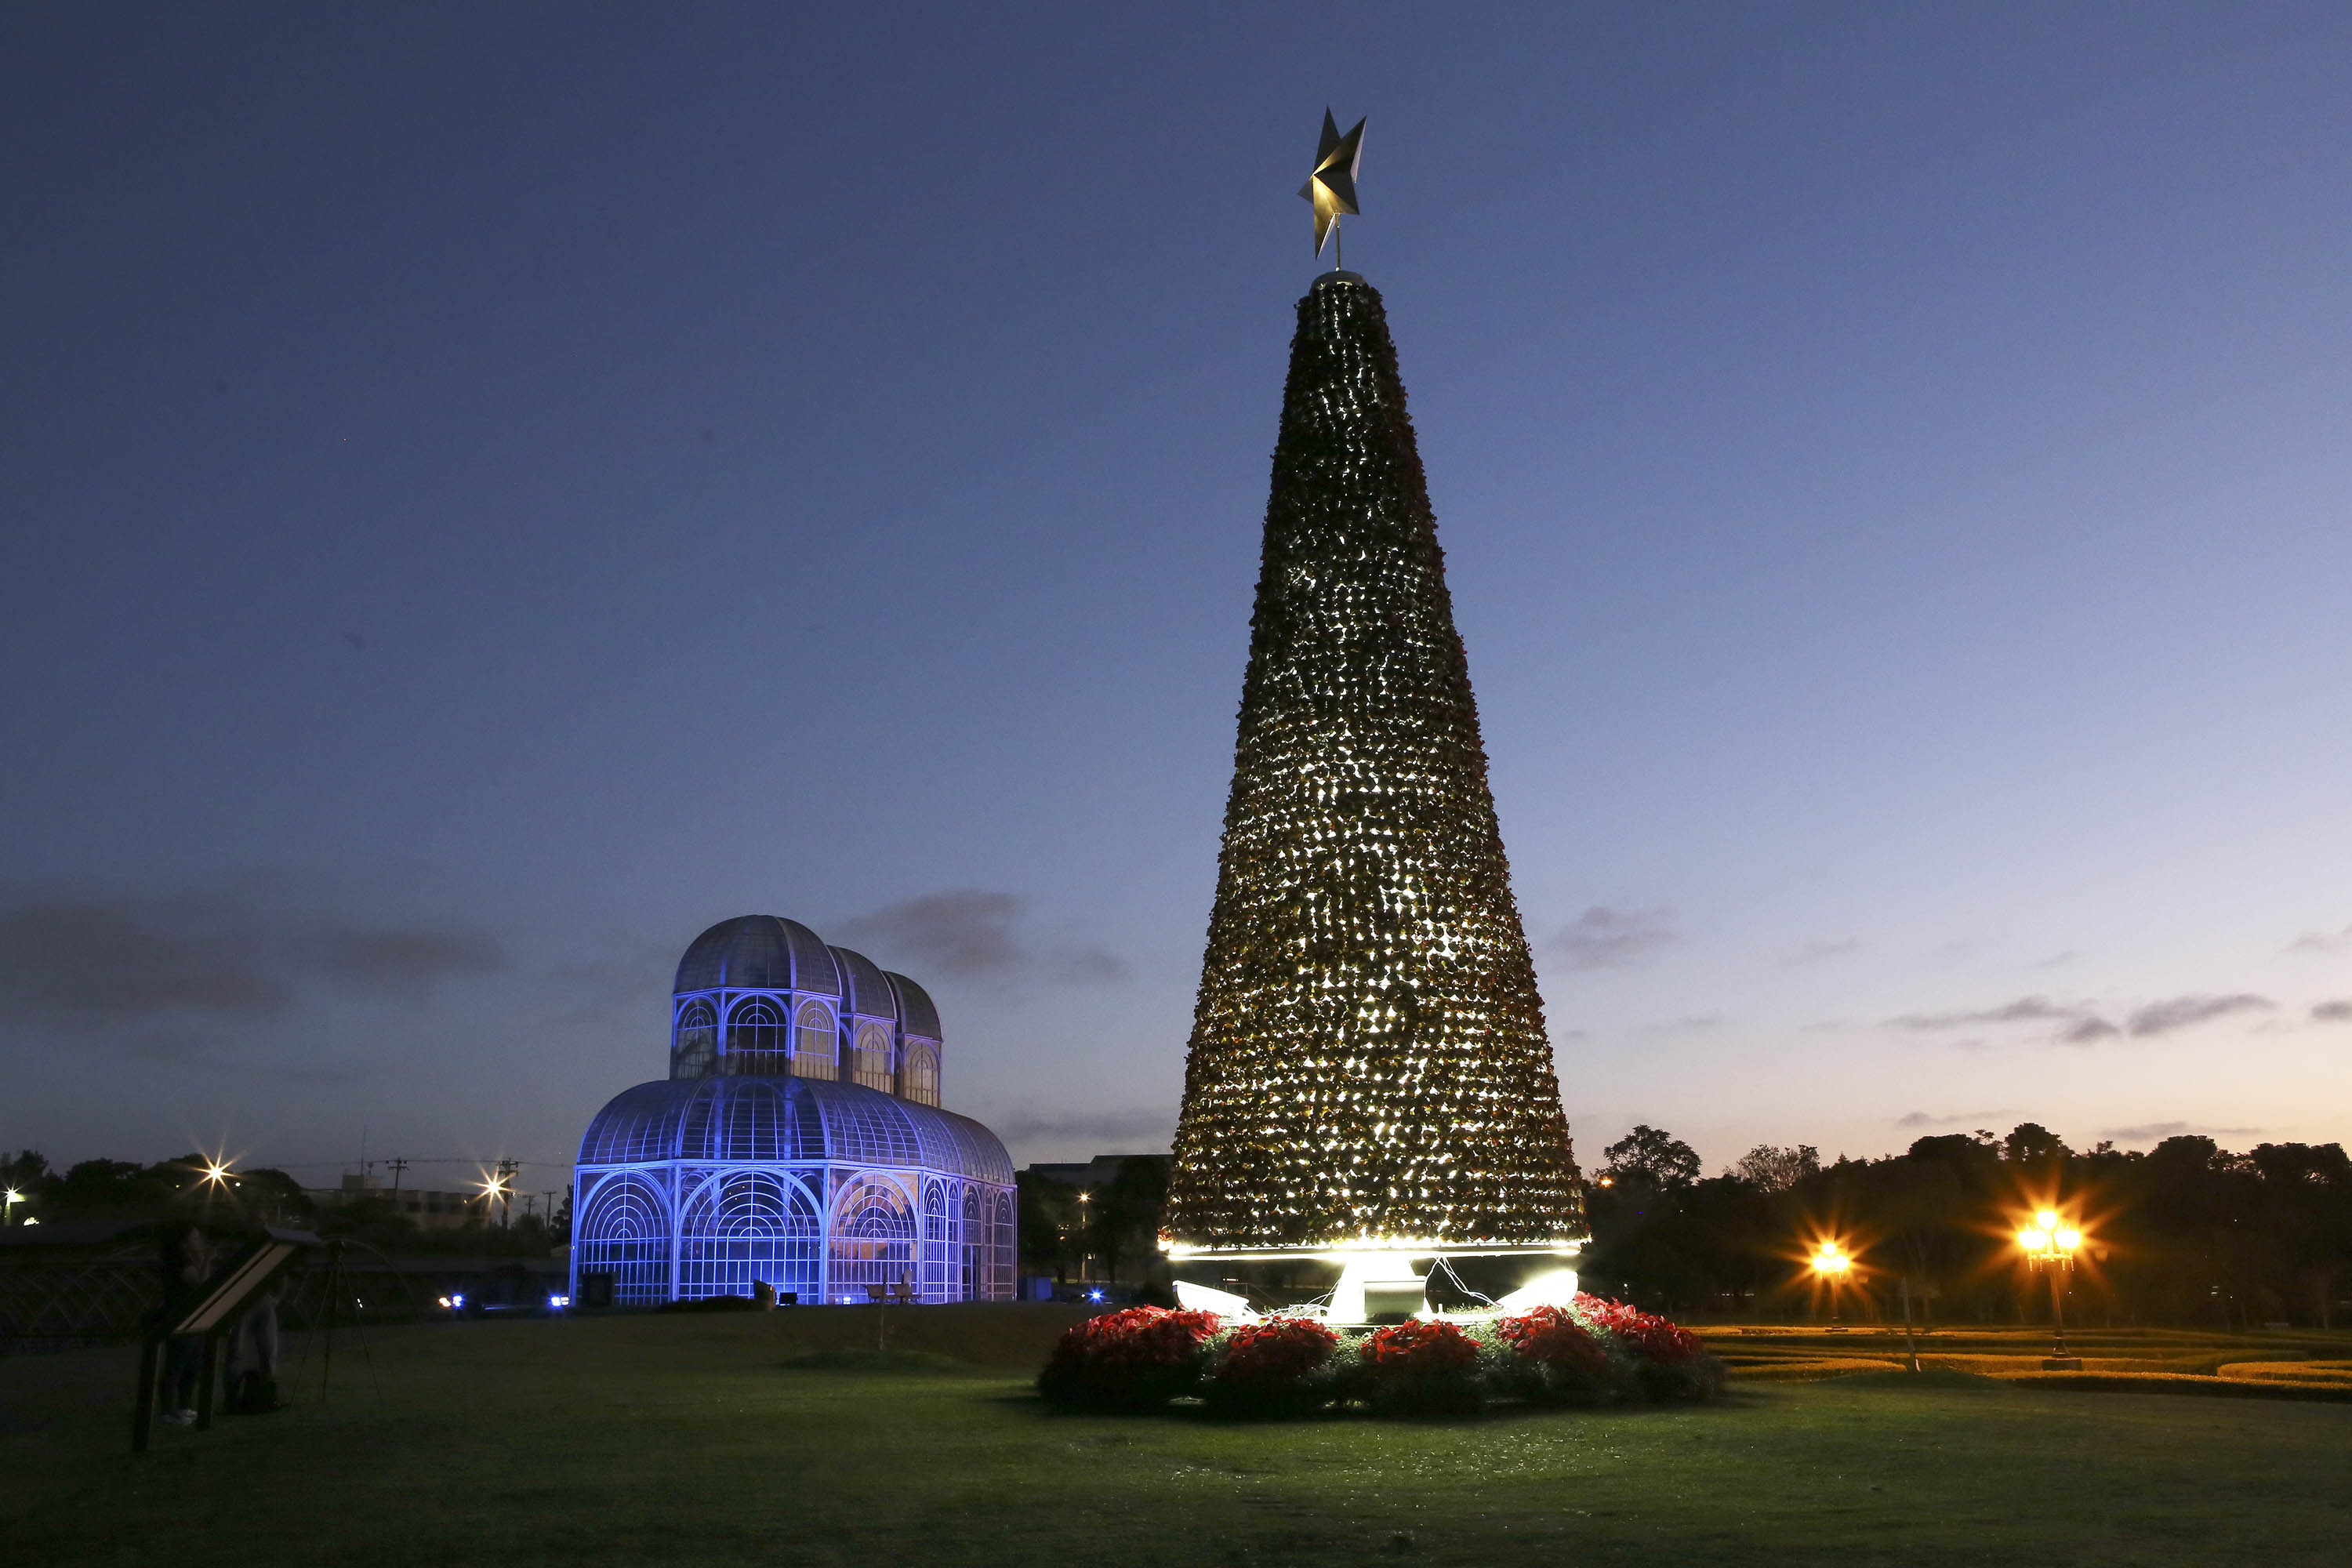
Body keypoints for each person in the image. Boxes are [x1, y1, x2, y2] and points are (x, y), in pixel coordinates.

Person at [154, 1223, 216, 1426]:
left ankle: (183, 1406)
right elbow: (200, 1284)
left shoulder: (187, 1260)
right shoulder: (179, 1262)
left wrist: (202, 1259)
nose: (199, 1241)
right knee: (177, 1364)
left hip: (194, 1316)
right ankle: (168, 1410)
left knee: (192, 1363)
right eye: (195, 1237)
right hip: (181, 1317)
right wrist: (207, 1259)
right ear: (184, 1241)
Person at [225, 1274, 286, 1413]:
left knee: (269, 1352)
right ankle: (231, 1399)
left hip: (263, 1302)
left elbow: (282, 1276)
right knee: (236, 1352)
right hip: (242, 1303)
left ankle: (267, 1395)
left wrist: (276, 1298)